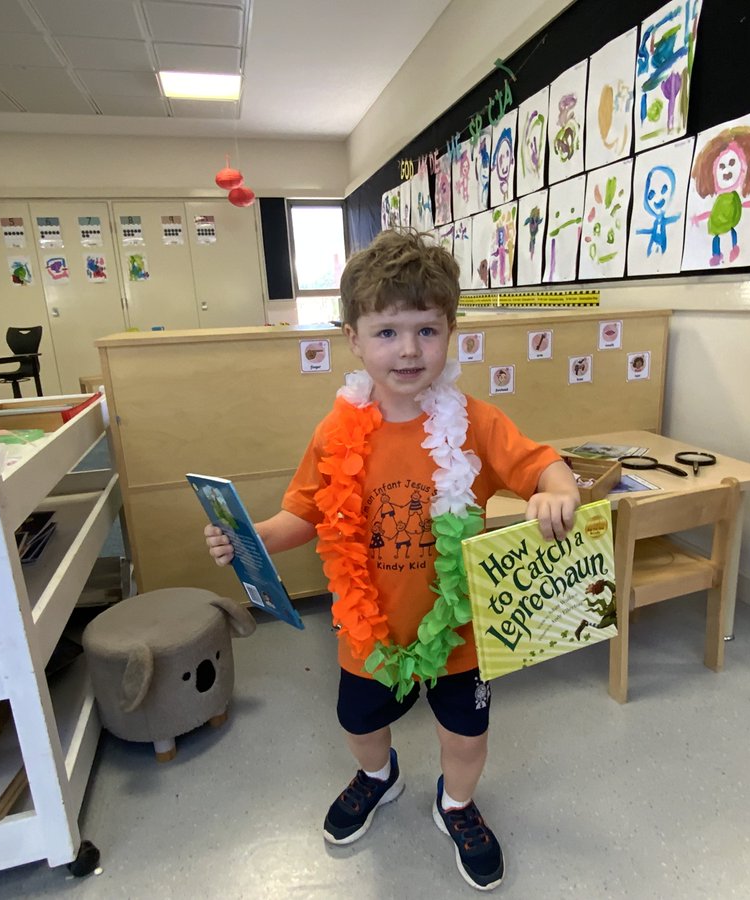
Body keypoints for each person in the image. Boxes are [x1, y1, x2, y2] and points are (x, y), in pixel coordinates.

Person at [205, 229, 579, 892]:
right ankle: (378, 777)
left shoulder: (473, 423)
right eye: (386, 331)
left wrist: (557, 492)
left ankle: (456, 805)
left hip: (461, 632)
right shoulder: (336, 431)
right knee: (359, 723)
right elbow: (306, 512)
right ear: (353, 337)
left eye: (425, 331)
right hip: (368, 630)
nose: (407, 350)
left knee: (467, 736)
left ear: (450, 331)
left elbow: (543, 464)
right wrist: (251, 536)